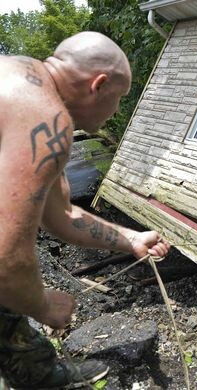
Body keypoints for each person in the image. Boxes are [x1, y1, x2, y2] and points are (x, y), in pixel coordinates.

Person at [0, 32, 171, 389]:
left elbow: (61, 215)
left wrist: (132, 238)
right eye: (119, 99)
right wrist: (44, 305)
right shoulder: (47, 118)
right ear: (100, 84)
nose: (117, 111)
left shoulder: (22, 81)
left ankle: (38, 374)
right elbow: (7, 257)